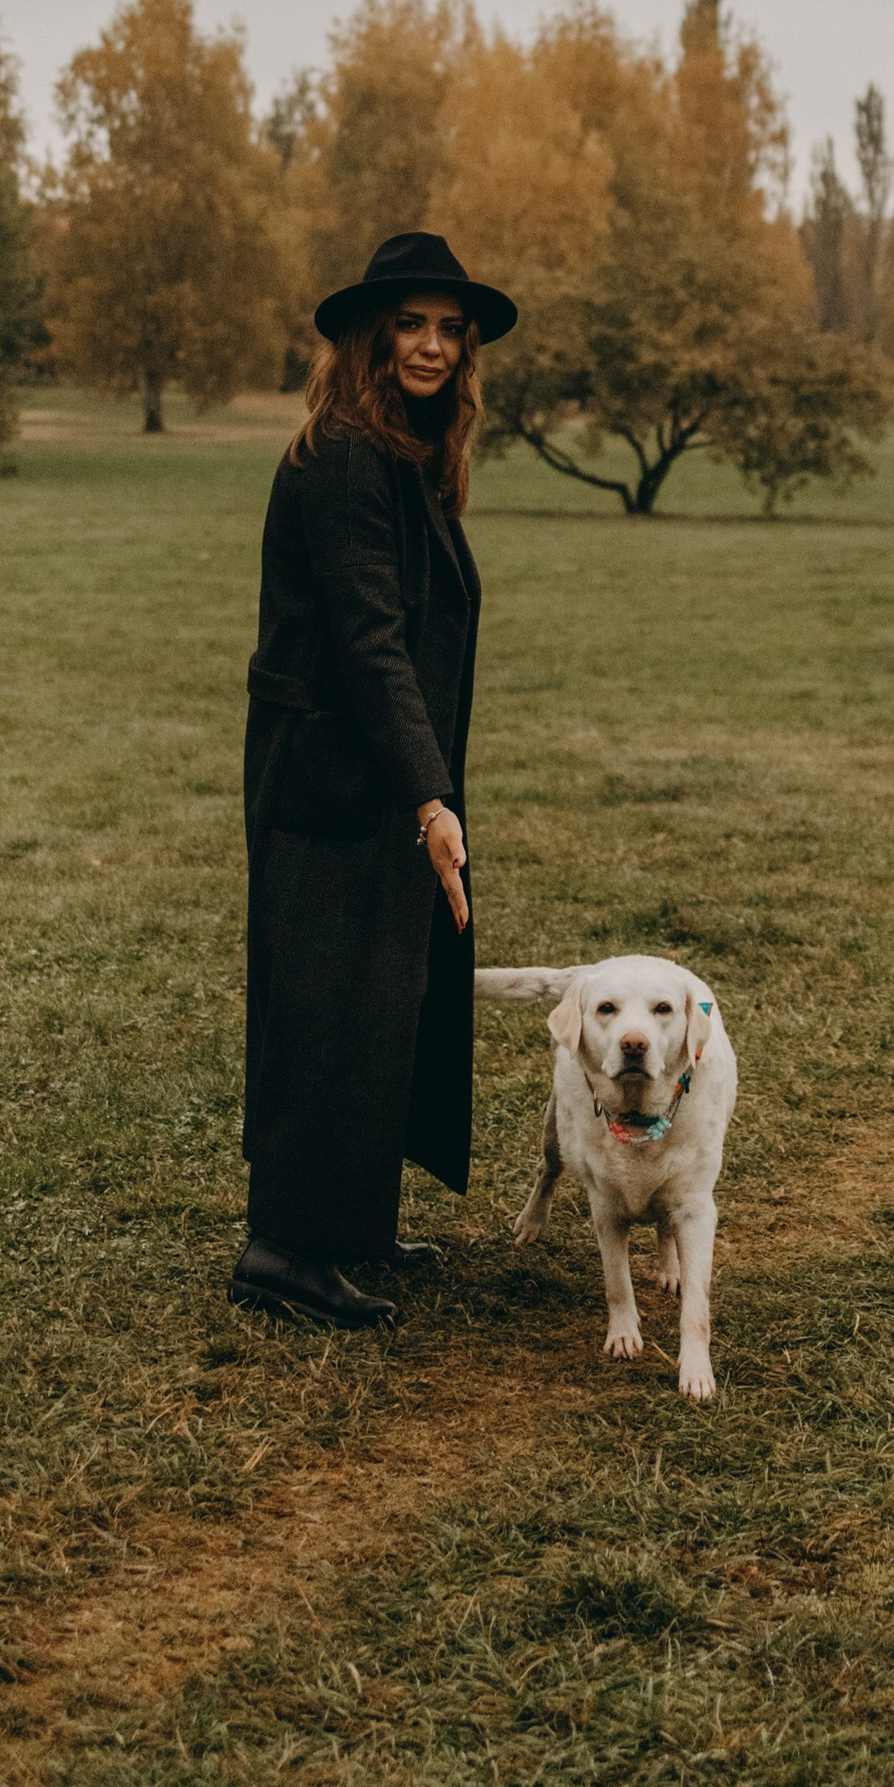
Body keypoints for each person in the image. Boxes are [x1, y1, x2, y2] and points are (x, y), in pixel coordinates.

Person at [233, 230, 518, 1330]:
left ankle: (345, 1220)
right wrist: (429, 797)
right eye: (410, 324)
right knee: (325, 999)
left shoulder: (406, 453)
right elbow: (369, 641)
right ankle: (284, 1250)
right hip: (331, 776)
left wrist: (426, 785)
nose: (433, 345)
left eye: (450, 329)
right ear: (370, 335)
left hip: (381, 771)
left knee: (382, 995)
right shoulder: (347, 455)